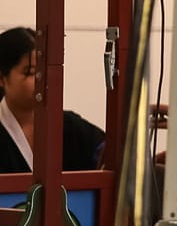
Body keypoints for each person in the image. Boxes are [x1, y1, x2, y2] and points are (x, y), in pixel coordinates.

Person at [0, 27, 103, 174]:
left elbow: (109, 153)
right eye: (31, 72)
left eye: (44, 71)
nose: (42, 79)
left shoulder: (69, 125)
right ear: (2, 78)